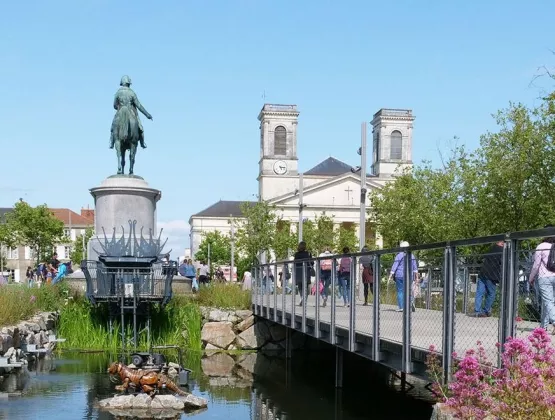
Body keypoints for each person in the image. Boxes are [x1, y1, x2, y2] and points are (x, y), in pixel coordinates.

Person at [110, 75, 152, 149]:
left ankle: (111, 141)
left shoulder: (118, 93)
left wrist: (119, 108)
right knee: (140, 127)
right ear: (128, 83)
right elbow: (139, 105)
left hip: (120, 111)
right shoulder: (132, 93)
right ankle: (142, 142)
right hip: (131, 112)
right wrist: (147, 114)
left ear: (122, 83)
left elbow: (114, 105)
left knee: (113, 126)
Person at [529, 232, 555, 331]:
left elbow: (536, 265)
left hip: (545, 277)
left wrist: (531, 278)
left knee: (548, 301)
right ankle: (543, 327)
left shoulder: (541, 246)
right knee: (547, 302)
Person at [474, 240, 504, 317]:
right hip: (491, 275)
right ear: (502, 243)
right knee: (491, 293)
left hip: (483, 272)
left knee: (479, 293)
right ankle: (486, 310)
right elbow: (502, 262)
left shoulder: (491, 248)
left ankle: (477, 311)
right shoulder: (502, 251)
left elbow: (482, 259)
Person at [389, 241, 418, 312]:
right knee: (408, 290)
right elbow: (415, 267)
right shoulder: (412, 255)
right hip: (409, 275)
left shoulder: (399, 255)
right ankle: (410, 302)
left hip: (400, 275)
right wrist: (416, 277)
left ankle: (401, 307)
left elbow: (395, 265)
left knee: (400, 291)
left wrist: (391, 275)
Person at [294, 241, 314, 307]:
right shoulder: (308, 253)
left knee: (300, 286)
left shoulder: (296, 254)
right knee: (307, 287)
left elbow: (295, 263)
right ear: (305, 246)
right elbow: (312, 262)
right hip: (306, 271)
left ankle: (302, 297)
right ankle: (304, 299)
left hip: (298, 271)